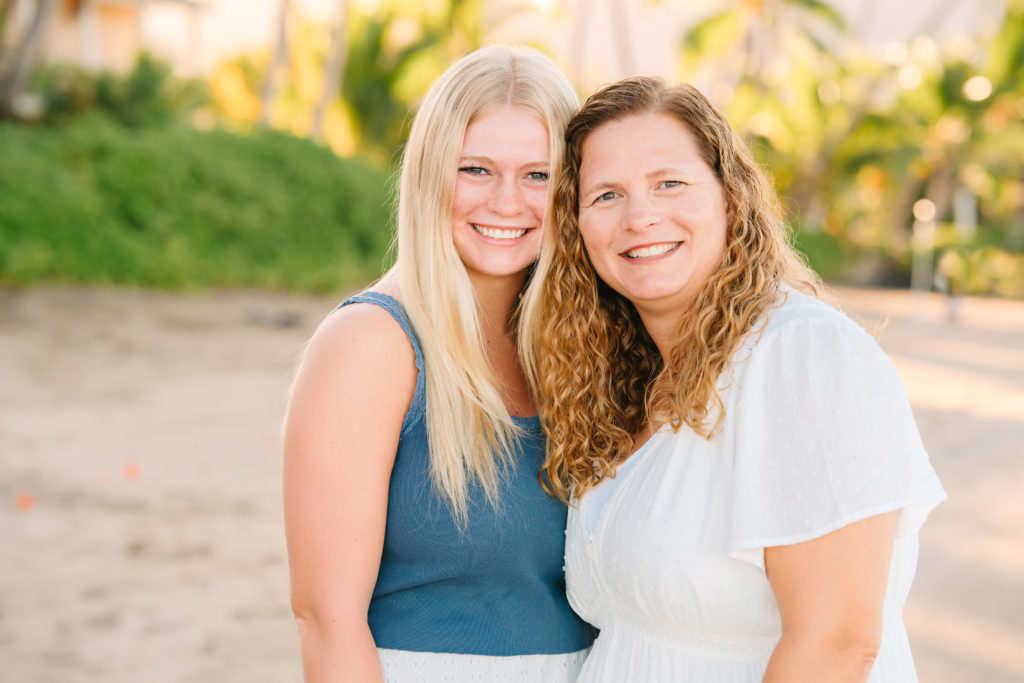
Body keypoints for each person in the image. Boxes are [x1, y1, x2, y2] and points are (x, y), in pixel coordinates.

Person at [520, 76, 947, 682]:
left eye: (670, 183)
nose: (641, 216)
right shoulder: (632, 385)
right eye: (607, 194)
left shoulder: (804, 356)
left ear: (729, 198)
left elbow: (835, 646)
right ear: (578, 225)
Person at [283, 45, 592, 683]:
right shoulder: (371, 343)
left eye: (539, 175)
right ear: (430, 173)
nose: (508, 202)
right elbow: (326, 619)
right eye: (476, 169)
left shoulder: (579, 346)